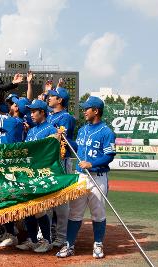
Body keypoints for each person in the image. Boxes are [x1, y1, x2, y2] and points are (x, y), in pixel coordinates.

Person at [56, 96, 116, 259]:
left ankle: (98, 244)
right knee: (74, 213)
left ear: (96, 111)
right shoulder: (83, 129)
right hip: (81, 177)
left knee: (98, 213)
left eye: (86, 108)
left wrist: (92, 164)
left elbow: (109, 155)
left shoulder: (107, 132)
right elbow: (77, 147)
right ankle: (69, 245)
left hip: (98, 177)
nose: (84, 111)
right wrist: (65, 138)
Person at [0, 96, 30, 247]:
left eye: (12, 104)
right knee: (7, 201)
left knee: (8, 201)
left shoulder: (12, 121)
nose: (10, 105)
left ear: (17, 108)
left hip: (9, 167)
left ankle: (12, 234)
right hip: (9, 166)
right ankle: (12, 232)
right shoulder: (18, 122)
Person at [16, 100, 56, 252]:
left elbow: (51, 154)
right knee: (29, 209)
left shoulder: (50, 129)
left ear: (43, 112)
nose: (31, 114)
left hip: (42, 173)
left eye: (34, 111)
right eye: (30, 111)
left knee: (40, 210)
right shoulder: (32, 130)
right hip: (29, 173)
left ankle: (47, 240)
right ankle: (32, 240)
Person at [46, 86, 76, 247]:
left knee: (62, 201)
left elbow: (63, 139)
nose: (49, 98)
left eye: (52, 96)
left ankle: (61, 237)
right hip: (49, 162)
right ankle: (48, 234)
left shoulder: (66, 117)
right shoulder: (50, 116)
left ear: (60, 100)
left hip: (62, 161)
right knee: (48, 200)